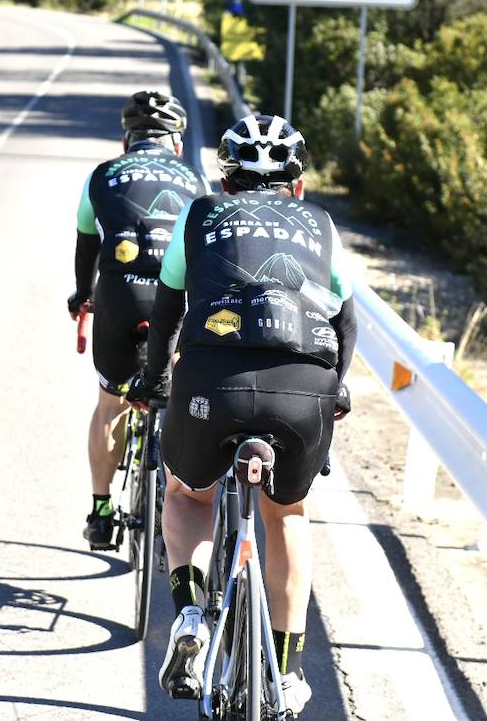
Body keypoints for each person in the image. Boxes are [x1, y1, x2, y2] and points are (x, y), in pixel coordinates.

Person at [127, 114, 357, 717]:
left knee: (187, 496)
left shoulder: (199, 215)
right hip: (303, 386)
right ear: (298, 186)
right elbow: (346, 320)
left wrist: (154, 383)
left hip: (213, 380)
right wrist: (337, 388)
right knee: (287, 515)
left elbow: (168, 310)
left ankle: (189, 614)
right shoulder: (322, 225)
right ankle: (287, 669)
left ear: (222, 183)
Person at [68, 91, 211, 550]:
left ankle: (102, 510)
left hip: (120, 293)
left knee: (111, 403)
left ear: (126, 138)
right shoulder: (195, 178)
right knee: (178, 393)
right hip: (178, 298)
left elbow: (87, 243)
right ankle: (181, 502)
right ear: (177, 143)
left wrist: (82, 296)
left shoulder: (102, 175)